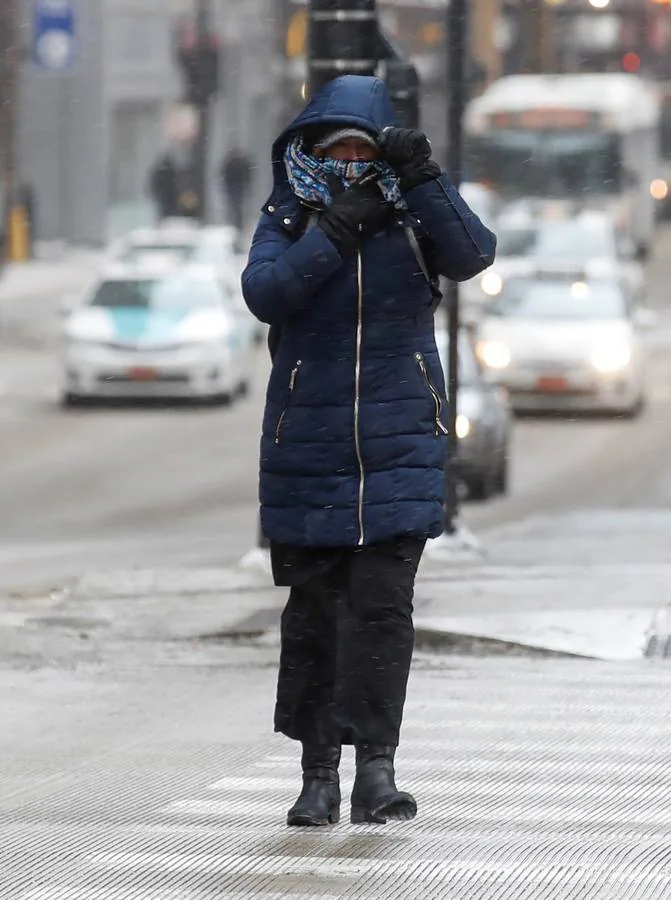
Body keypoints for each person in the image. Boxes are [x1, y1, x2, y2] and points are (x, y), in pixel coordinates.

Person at [241, 75, 496, 828]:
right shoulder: (290, 211)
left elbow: (472, 252)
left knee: (382, 617)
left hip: (399, 448)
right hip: (309, 453)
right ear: (310, 148)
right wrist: (332, 231)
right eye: (336, 147)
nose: (350, 160)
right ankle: (317, 773)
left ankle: (375, 773)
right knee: (316, 618)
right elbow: (267, 292)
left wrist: (422, 177)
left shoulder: (413, 208)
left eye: (364, 146)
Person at [221, 147, 255, 235]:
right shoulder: (239, 163)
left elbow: (225, 175)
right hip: (237, 187)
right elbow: (247, 175)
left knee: (235, 206)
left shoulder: (233, 163)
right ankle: (236, 223)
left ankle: (236, 224)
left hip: (236, 187)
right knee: (237, 206)